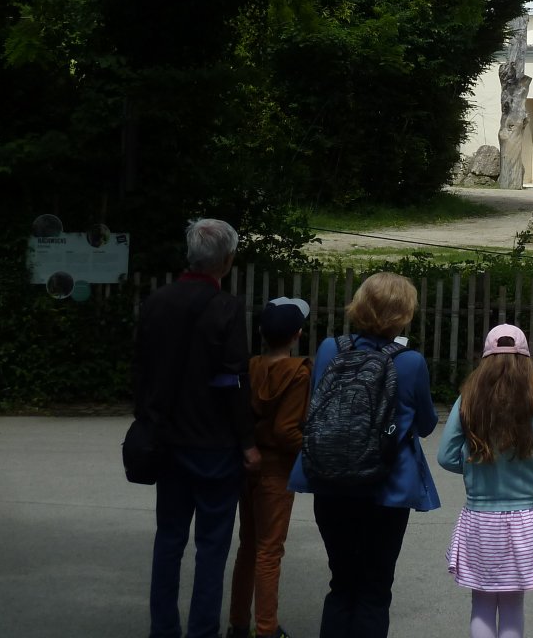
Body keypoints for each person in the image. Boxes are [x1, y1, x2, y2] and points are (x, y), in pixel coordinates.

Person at [288, 272, 441, 637]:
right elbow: (425, 424)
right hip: (385, 488)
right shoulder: (410, 362)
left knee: (341, 582)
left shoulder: (331, 349)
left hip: (330, 480)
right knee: (374, 588)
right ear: (403, 312)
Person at [133, 217, 259, 638]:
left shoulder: (156, 302)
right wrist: (247, 442)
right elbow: (234, 379)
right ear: (226, 260)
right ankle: (202, 630)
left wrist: (149, 421)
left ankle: (163, 628)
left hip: (167, 441)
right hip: (214, 444)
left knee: (169, 539)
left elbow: (142, 370)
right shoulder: (226, 307)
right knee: (212, 545)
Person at [439, 324, 533, 638]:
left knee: (482, 602)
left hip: (479, 519)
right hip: (524, 520)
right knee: (513, 604)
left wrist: (471, 466)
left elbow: (445, 456)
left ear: (485, 361)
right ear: (526, 362)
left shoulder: (468, 401)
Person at [226, 298, 313, 638]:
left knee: (247, 545)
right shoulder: (298, 372)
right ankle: (266, 628)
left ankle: (238, 622)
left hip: (249, 464)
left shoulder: (252, 366)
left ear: (261, 333)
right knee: (269, 550)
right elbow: (286, 431)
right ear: (297, 335)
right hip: (277, 469)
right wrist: (313, 450)